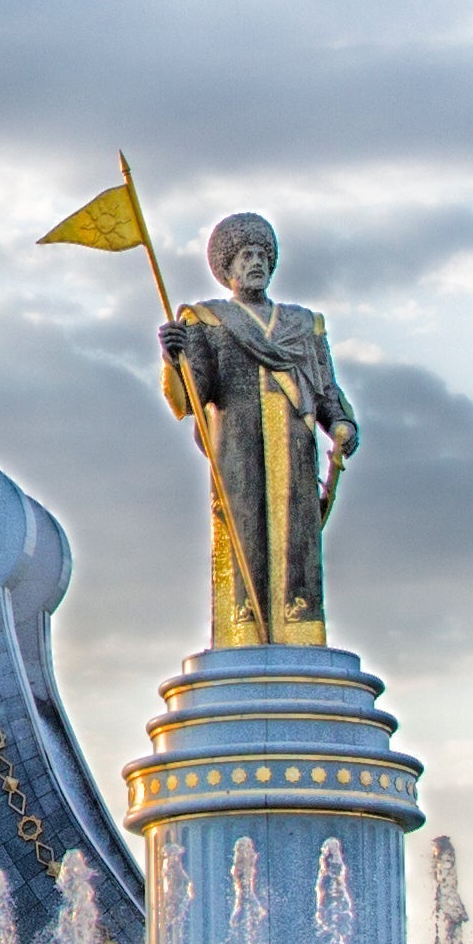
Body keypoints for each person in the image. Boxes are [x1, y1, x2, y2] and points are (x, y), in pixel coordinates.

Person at [157, 213, 356, 647]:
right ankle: (243, 628)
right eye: (246, 255)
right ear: (227, 268)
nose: (255, 262)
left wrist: (340, 422)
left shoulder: (303, 325)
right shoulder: (209, 321)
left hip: (293, 445)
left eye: (263, 255)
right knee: (243, 530)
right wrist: (175, 359)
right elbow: (193, 396)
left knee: (296, 538)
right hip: (238, 446)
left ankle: (299, 626)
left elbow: (325, 387)